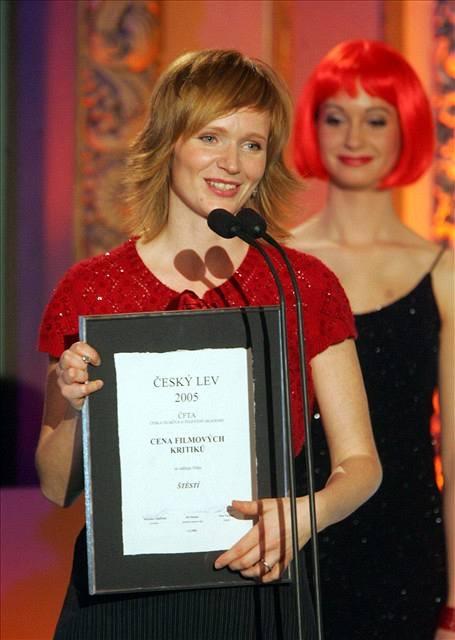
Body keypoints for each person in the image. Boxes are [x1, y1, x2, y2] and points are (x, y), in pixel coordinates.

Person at [35, 49, 381, 640]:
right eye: (211, 137)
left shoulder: (301, 284)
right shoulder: (92, 288)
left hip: (258, 586)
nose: (232, 163)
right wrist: (70, 404)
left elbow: (362, 464)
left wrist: (305, 515)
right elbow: (56, 487)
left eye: (252, 144)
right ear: (170, 141)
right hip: (120, 602)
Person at [289, 39, 454, 640]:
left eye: (376, 118)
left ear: (406, 128)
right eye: (336, 117)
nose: (354, 136)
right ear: (313, 128)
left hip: (404, 550)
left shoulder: (443, 274)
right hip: (291, 541)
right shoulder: (274, 264)